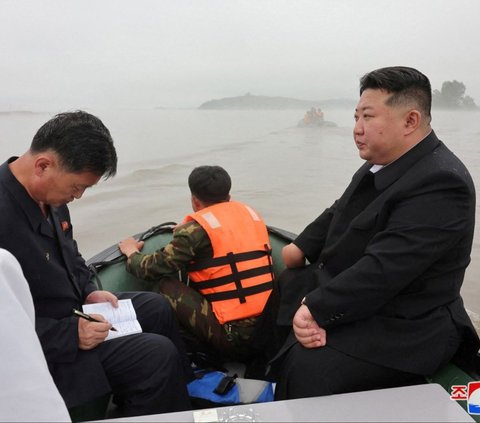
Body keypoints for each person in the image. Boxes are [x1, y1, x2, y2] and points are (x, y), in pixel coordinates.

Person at [272, 66, 480, 400]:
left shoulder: (442, 182)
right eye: (356, 117)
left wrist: (317, 309)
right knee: (286, 285)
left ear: (410, 121)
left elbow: (385, 269)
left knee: (309, 366)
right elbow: (340, 208)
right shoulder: (383, 159)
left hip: (408, 322)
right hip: (365, 296)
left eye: (368, 117)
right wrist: (301, 246)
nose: (357, 129)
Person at [0, 111, 193, 417]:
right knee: (155, 354)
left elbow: (72, 255)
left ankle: (182, 397)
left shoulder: (53, 198)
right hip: (46, 347)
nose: (78, 197)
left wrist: (90, 291)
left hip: (77, 312)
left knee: (156, 307)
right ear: (43, 165)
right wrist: (68, 335)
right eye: (77, 187)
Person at [118, 165, 274, 362]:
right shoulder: (252, 216)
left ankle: (184, 351)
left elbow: (148, 268)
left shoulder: (194, 232)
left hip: (235, 340)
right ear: (228, 195)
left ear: (194, 200)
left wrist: (131, 251)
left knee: (164, 285)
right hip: (269, 329)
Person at [0, 248, 71, 422]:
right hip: (60, 349)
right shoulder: (3, 263)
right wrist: (73, 332)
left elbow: (73, 259)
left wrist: (89, 290)